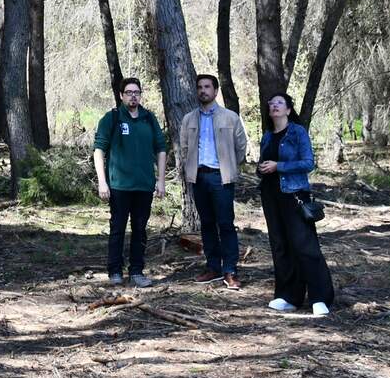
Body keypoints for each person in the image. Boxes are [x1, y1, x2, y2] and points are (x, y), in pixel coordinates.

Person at [258, 92, 335, 317]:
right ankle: (288, 296)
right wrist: (262, 168)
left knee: (305, 246)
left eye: (279, 103)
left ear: (289, 110)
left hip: (294, 194)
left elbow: (308, 162)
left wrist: (279, 166)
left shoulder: (297, 132)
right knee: (280, 245)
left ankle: (320, 297)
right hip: (271, 195)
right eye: (271, 103)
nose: (274, 106)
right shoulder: (267, 135)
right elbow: (264, 163)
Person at [93, 75, 168, 287]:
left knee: (140, 229)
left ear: (140, 95)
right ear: (121, 95)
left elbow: (161, 149)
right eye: (129, 93)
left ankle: (136, 271)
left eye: (136, 92)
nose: (133, 96)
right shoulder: (113, 118)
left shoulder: (148, 118)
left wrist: (160, 181)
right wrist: (102, 182)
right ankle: (114, 270)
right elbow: (99, 149)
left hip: (144, 186)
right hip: (119, 186)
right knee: (117, 228)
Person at [179, 74, 248, 289]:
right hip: (199, 177)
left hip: (221, 177)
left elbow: (241, 146)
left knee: (225, 224)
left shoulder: (230, 117)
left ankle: (230, 271)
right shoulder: (189, 119)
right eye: (199, 87)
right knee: (207, 224)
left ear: (215, 91)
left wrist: (228, 166)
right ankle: (212, 268)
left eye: (207, 87)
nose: (203, 90)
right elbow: (183, 148)